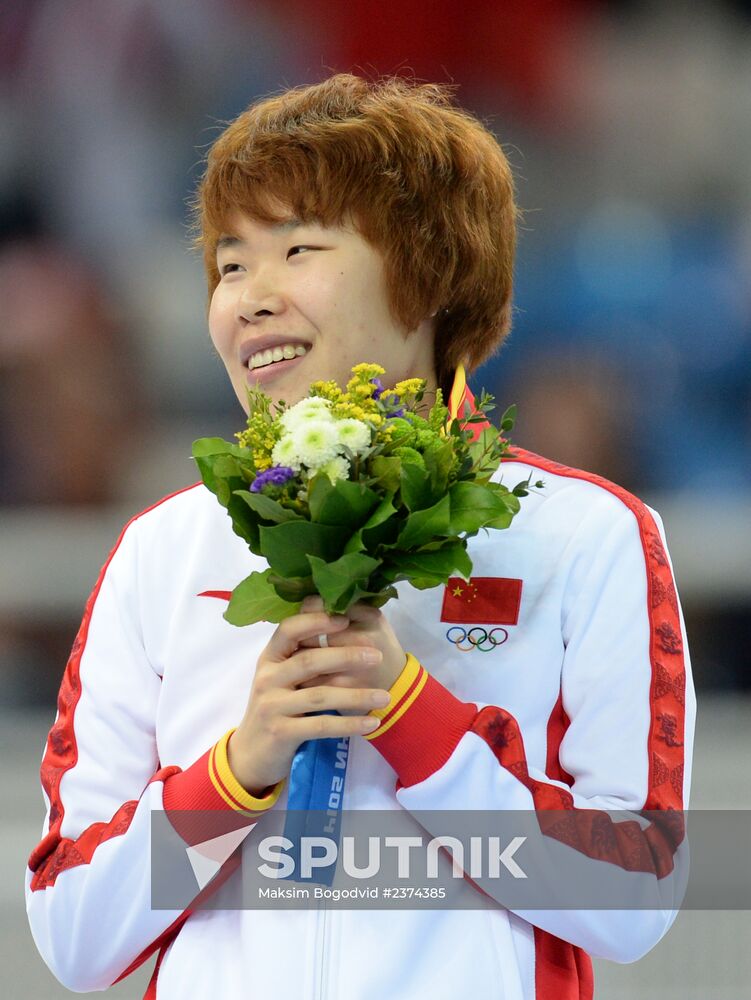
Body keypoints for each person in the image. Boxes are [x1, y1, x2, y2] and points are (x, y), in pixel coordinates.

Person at [25, 73, 695, 999]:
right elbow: (72, 934)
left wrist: (415, 718)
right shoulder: (161, 551)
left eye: (296, 247)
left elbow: (635, 898)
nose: (249, 299)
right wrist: (234, 769)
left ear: (427, 277)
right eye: (228, 264)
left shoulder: (581, 533)